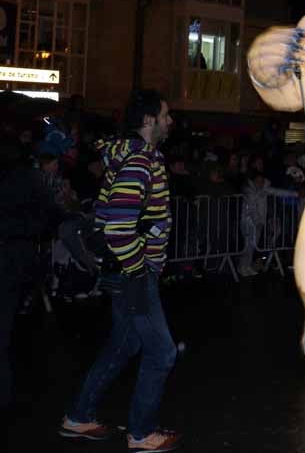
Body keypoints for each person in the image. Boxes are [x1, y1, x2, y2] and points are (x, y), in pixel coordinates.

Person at [60, 89, 182, 452]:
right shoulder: (138, 162)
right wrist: (138, 270)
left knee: (124, 344)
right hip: (132, 273)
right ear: (148, 121)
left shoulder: (140, 157)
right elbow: (118, 226)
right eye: (165, 115)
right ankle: (142, 434)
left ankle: (79, 417)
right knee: (162, 353)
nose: (170, 121)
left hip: (129, 270)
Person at [0, 135, 62, 425]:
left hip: (10, 259)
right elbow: (47, 217)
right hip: (14, 258)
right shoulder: (28, 177)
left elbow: (46, 217)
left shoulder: (23, 179)